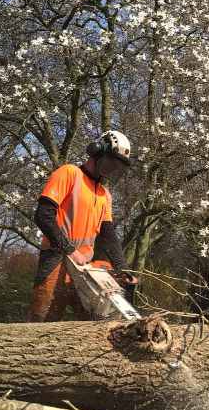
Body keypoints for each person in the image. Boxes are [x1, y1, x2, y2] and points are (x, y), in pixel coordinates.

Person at [29, 130, 138, 322]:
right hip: (57, 259)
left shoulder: (105, 195)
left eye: (117, 166)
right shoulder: (69, 173)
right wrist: (70, 250)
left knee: (96, 322)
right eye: (111, 162)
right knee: (43, 321)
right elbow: (43, 215)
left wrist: (122, 268)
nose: (113, 169)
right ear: (97, 151)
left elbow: (108, 235)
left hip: (85, 268)